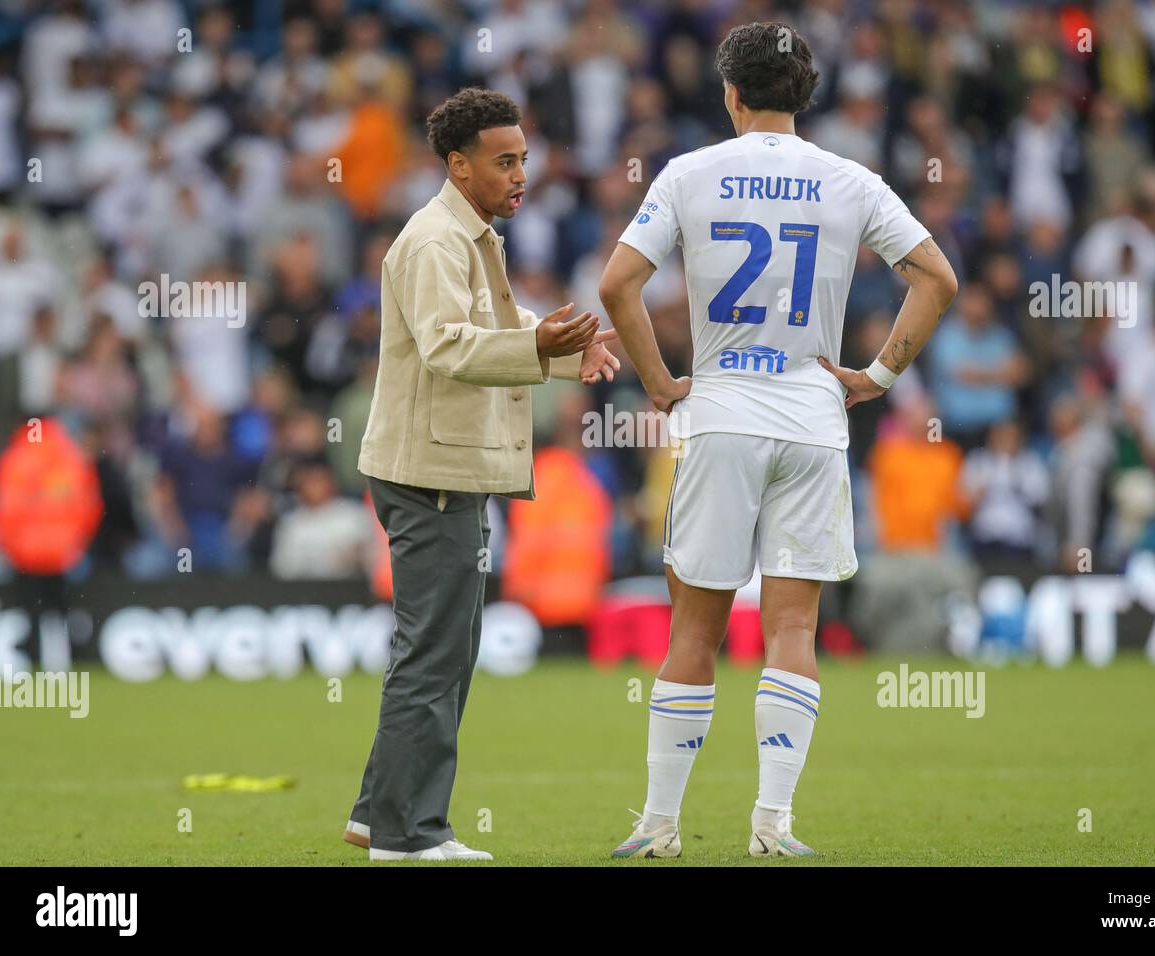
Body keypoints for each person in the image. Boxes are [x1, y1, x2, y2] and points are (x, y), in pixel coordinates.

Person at [599, 22, 957, 858]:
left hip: (721, 412)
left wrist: (658, 382)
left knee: (694, 633)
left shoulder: (690, 174)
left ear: (730, 92)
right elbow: (937, 278)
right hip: (812, 418)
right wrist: (878, 375)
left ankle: (657, 827)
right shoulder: (851, 180)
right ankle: (773, 826)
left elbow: (619, 284)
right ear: (807, 95)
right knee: (794, 628)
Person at [344, 87, 621, 862]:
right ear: (458, 166)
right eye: (504, 162)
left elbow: (496, 327)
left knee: (439, 649)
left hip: (444, 467)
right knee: (435, 655)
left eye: (524, 159)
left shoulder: (473, 236)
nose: (520, 174)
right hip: (430, 471)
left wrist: (564, 348)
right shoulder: (438, 241)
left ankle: (379, 812)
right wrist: (541, 351)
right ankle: (409, 835)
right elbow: (448, 344)